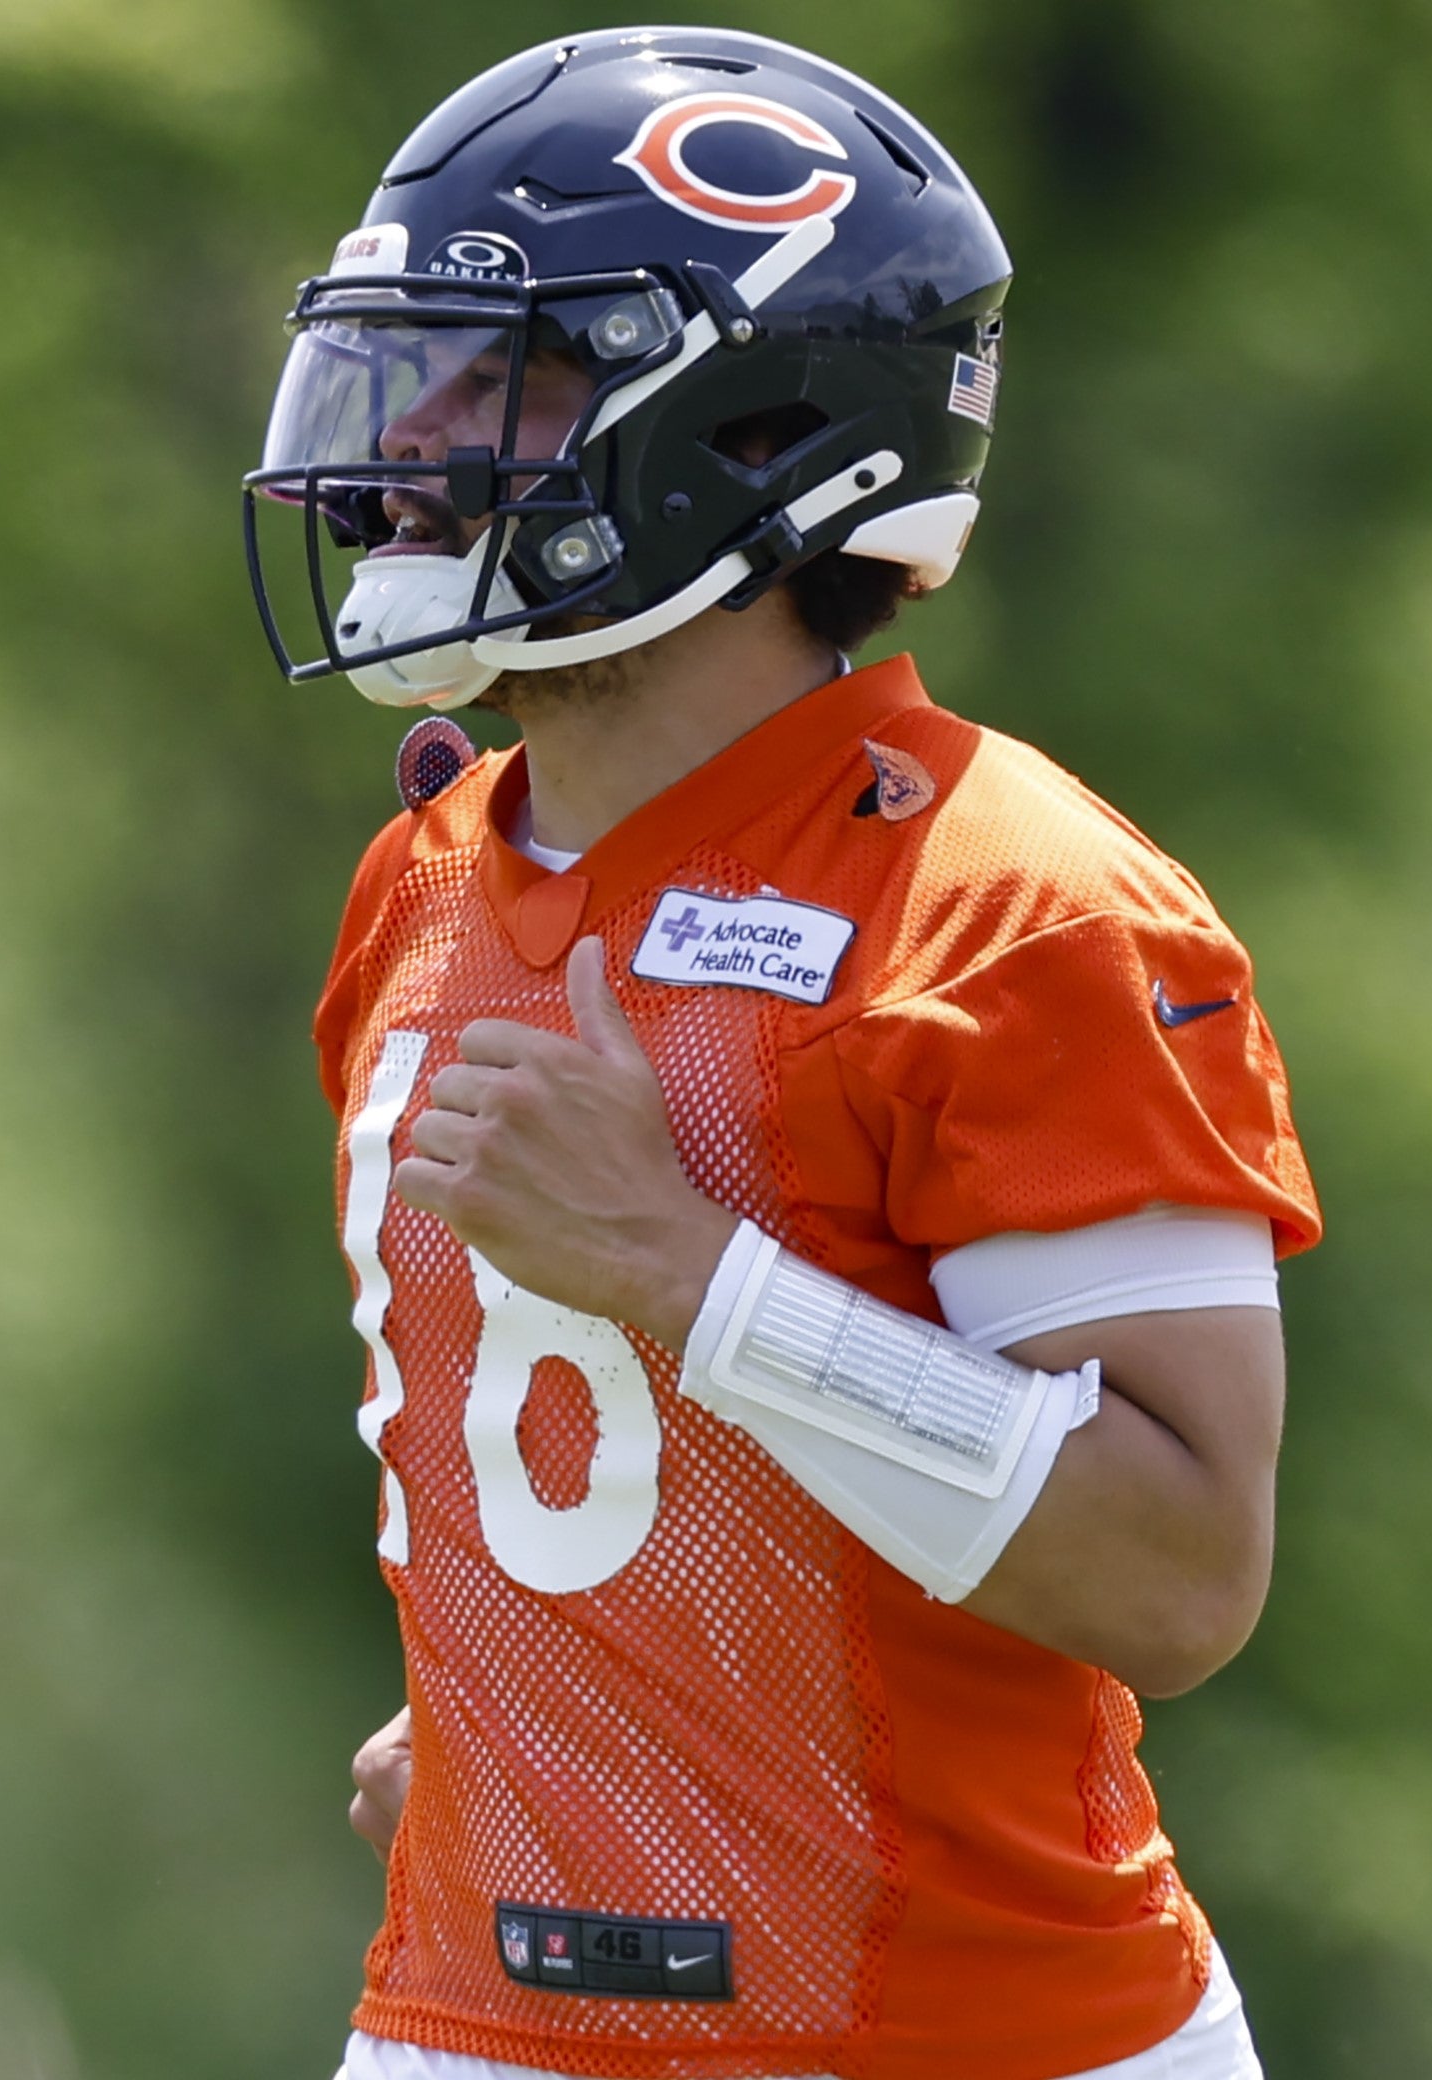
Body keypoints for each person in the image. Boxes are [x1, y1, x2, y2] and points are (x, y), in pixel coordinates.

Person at [245, 29, 1321, 2080]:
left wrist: (691, 1272)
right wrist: (539, 1699)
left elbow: (1180, 1571)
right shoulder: (417, 878)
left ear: (741, 428)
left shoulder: (1018, 904)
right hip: (477, 2012)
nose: (406, 447)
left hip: (961, 2034)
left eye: (506, 374)